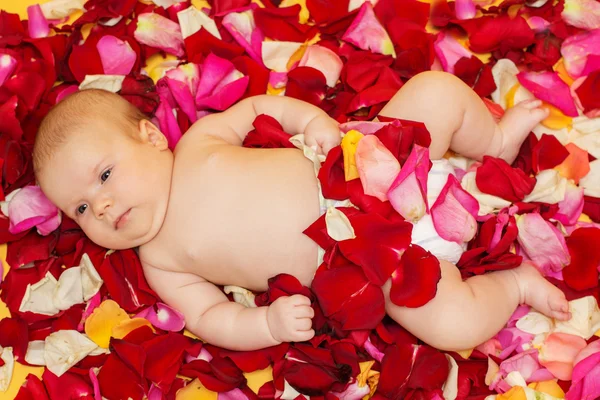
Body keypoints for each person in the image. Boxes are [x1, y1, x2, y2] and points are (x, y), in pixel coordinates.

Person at [33, 71, 569, 352]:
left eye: (104, 176)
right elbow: (208, 317)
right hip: (372, 263)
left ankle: (491, 141)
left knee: (434, 92)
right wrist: (264, 323)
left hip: (370, 164)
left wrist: (311, 122)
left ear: (151, 137)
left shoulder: (198, 142)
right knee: (452, 323)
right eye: (80, 208)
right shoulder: (161, 259)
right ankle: (515, 286)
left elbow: (258, 108)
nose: (100, 205)